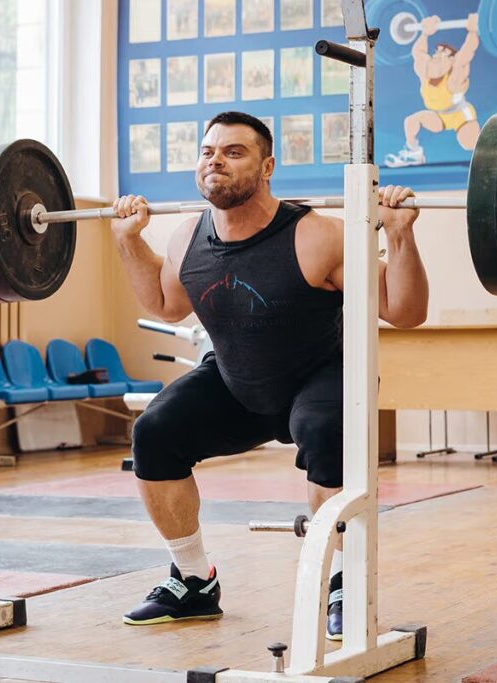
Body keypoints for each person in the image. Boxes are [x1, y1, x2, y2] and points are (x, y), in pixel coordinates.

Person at [110, 111, 429, 640]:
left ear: (267, 167)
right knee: (155, 432)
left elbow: (404, 309)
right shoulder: (188, 235)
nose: (216, 160)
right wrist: (127, 240)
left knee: (329, 432)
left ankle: (346, 582)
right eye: (208, 151)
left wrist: (398, 236)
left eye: (234, 152)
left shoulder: (316, 235)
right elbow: (166, 305)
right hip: (239, 383)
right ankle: (193, 581)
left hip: (321, 377)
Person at [384, 13, 481, 167]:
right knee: (411, 121)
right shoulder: (426, 74)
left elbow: (466, 54)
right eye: (437, 51)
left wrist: (473, 31)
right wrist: (425, 33)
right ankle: (414, 153)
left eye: (444, 53)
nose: (437, 55)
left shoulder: (454, 75)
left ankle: (494, 156)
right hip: (439, 116)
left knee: (470, 143)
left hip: (460, 115)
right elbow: (419, 54)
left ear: (452, 60)